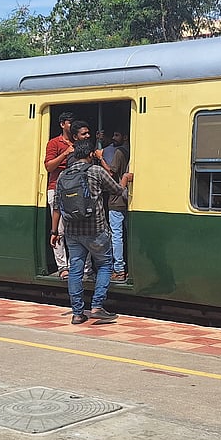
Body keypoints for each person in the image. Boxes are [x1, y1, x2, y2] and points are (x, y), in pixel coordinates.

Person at [49, 139, 133, 325]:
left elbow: (57, 206)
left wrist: (54, 231)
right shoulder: (96, 171)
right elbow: (117, 190)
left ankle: (78, 313)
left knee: (75, 270)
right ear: (90, 155)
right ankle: (97, 307)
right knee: (104, 265)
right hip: (95, 230)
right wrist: (125, 179)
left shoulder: (63, 175)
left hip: (71, 231)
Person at [44, 112, 77, 279]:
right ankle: (62, 266)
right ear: (62, 124)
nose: (72, 126)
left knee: (75, 229)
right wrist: (65, 154)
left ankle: (77, 266)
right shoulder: (53, 143)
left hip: (75, 189)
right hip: (56, 188)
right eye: (70, 123)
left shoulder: (79, 142)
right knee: (59, 230)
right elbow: (49, 167)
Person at [107, 131, 131, 282]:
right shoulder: (132, 152)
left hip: (117, 199)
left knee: (116, 235)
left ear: (124, 137)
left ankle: (119, 269)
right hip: (128, 199)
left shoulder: (119, 152)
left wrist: (100, 157)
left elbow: (111, 172)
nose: (114, 138)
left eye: (116, 135)